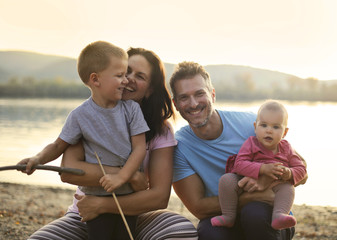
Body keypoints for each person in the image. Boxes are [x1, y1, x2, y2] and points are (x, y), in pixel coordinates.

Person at [27, 47, 198, 240]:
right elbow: (68, 171)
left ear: (150, 89)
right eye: (126, 72)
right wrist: (130, 175)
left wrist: (101, 204)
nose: (128, 79)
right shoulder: (85, 117)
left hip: (136, 213)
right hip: (85, 212)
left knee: (181, 230)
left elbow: (159, 197)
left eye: (140, 76)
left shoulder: (160, 129)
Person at [18, 41, 150, 239]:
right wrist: (37, 159)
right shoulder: (79, 116)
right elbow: (57, 145)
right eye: (119, 75)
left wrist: (122, 177)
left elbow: (140, 148)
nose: (126, 81)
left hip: (128, 196)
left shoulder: (131, 109)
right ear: (95, 79)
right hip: (94, 197)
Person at [169, 61, 307, 240]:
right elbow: (198, 208)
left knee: (254, 213)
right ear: (176, 104)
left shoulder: (253, 125)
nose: (193, 103)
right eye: (184, 97)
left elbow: (302, 172)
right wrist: (253, 196)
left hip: (266, 215)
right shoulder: (179, 147)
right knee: (210, 231)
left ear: (212, 95)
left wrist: (267, 180)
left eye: (199, 93)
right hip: (225, 217)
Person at [211, 100, 307, 230]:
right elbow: (239, 164)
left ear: (284, 132)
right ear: (255, 127)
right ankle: (228, 215)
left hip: (275, 185)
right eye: (264, 125)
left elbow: (302, 170)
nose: (269, 131)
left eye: (276, 127)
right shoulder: (251, 143)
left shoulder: (286, 148)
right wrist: (262, 169)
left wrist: (289, 173)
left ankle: (279, 215)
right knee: (226, 180)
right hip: (245, 182)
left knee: (288, 188)